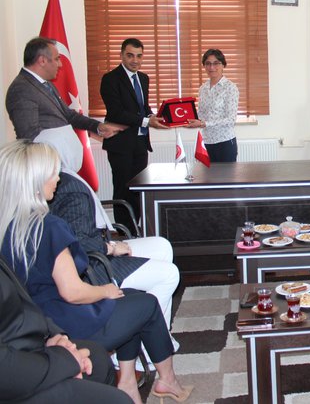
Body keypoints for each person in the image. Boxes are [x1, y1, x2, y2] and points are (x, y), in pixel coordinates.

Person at [0, 140, 192, 404]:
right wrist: (104, 291)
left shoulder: (10, 225)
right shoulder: (49, 226)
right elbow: (72, 292)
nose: (58, 178)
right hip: (67, 320)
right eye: (52, 173)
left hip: (40, 316)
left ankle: (128, 384)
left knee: (130, 298)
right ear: (35, 181)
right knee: (146, 305)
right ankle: (166, 380)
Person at [48, 171, 180, 348]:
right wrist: (110, 248)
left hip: (98, 247)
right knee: (170, 274)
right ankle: (150, 344)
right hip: (91, 264)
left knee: (162, 246)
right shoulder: (69, 189)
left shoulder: (62, 182)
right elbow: (77, 243)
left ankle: (158, 332)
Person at [0, 257, 132, 404]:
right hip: (13, 376)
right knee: (120, 400)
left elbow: (24, 305)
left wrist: (55, 337)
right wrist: (65, 361)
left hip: (23, 346)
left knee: (98, 359)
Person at [101, 38, 168, 230]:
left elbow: (142, 108)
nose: (135, 60)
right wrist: (146, 121)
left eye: (139, 56)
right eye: (130, 55)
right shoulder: (110, 79)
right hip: (120, 144)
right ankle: (125, 233)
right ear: (122, 55)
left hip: (140, 143)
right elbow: (116, 113)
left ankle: (136, 229)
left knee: (139, 189)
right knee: (123, 190)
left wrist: (153, 116)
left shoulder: (144, 78)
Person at [5, 36, 122, 141]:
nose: (60, 64)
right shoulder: (22, 89)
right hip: (46, 157)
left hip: (59, 155)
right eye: (57, 59)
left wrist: (98, 126)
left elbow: (69, 115)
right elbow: (29, 137)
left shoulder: (47, 84)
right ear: (42, 61)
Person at [186, 48, 239, 162]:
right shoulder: (203, 88)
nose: (211, 67)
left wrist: (204, 123)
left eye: (216, 63)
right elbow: (201, 113)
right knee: (206, 174)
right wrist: (186, 120)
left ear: (223, 65)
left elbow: (230, 119)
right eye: (208, 63)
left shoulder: (230, 88)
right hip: (206, 142)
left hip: (224, 143)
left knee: (226, 174)